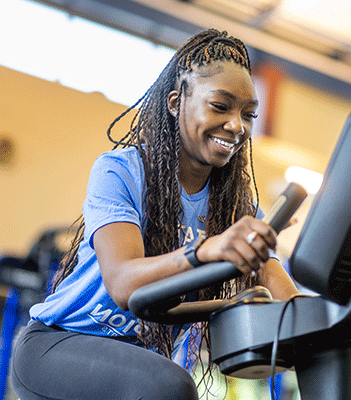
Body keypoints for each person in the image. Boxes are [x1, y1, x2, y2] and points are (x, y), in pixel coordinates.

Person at [11, 28, 299, 400]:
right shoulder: (121, 171)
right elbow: (123, 283)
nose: (237, 125)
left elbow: (286, 298)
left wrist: (327, 319)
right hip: (57, 347)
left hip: (137, 366)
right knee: (170, 387)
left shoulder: (237, 207)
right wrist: (206, 250)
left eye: (248, 114)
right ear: (176, 102)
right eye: (220, 106)